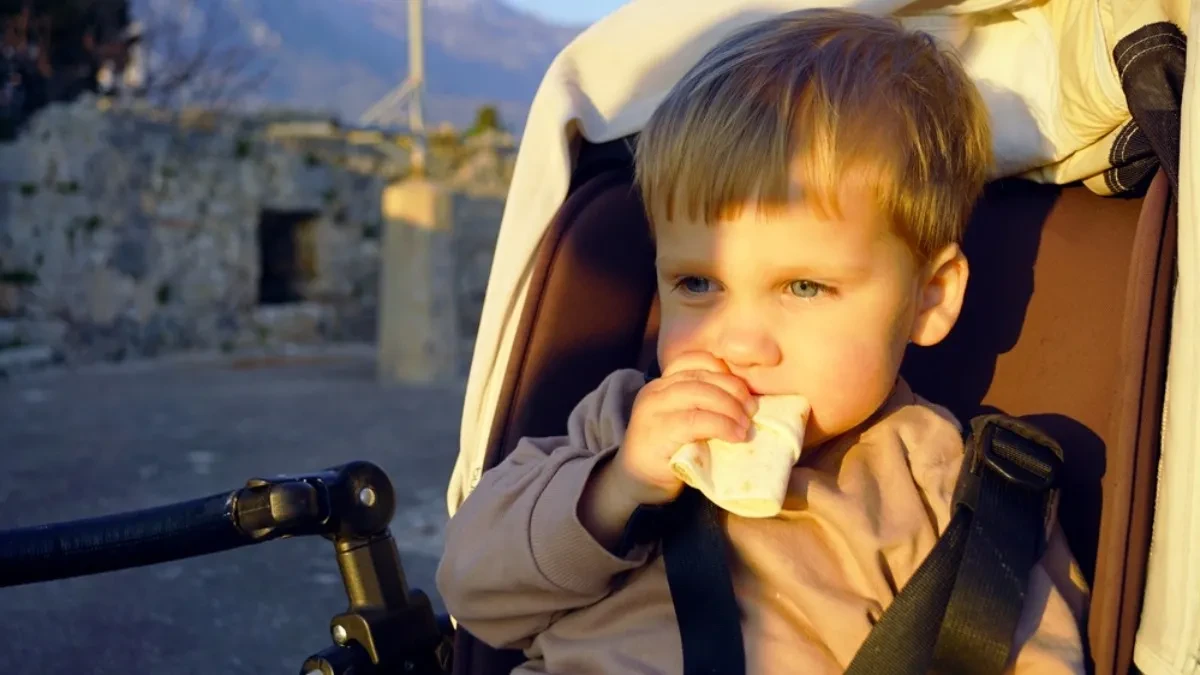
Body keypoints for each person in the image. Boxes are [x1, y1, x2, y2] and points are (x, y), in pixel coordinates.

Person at [437, 8, 1089, 673]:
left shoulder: (947, 490)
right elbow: (473, 590)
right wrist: (615, 489)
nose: (739, 342)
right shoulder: (619, 424)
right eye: (697, 283)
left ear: (931, 296)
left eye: (803, 287)